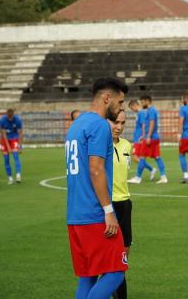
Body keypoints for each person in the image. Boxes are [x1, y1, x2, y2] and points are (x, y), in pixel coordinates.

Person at [65, 77, 128, 299]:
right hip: (94, 215)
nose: (121, 108)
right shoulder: (100, 125)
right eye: (120, 103)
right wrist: (108, 210)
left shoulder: (77, 124)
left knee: (88, 276)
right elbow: (96, 169)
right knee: (115, 273)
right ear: (107, 98)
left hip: (75, 215)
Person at [109, 110, 132, 299]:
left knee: (123, 259)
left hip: (125, 204)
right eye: (115, 122)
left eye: (122, 123)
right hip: (107, 206)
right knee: (107, 259)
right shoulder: (99, 146)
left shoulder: (127, 145)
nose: (119, 127)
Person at [128, 95, 167, 184]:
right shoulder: (149, 111)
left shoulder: (150, 111)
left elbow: (151, 123)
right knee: (157, 157)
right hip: (152, 137)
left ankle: (138, 177)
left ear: (146, 101)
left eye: (142, 102)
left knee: (141, 157)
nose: (141, 104)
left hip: (150, 138)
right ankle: (163, 177)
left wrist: (147, 136)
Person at [127, 100, 156, 180]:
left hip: (139, 139)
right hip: (137, 138)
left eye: (131, 108)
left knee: (136, 157)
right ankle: (151, 169)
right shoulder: (140, 113)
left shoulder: (141, 113)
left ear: (134, 105)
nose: (132, 110)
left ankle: (139, 176)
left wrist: (143, 136)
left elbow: (144, 125)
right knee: (137, 158)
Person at [0, 108, 23, 184]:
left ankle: (18, 175)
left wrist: (20, 146)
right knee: (6, 159)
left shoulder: (17, 120)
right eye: (8, 117)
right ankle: (10, 178)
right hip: (5, 139)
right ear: (6, 115)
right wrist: (8, 147)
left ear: (13, 115)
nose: (10, 119)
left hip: (14, 138)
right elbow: (3, 134)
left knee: (16, 155)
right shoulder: (2, 120)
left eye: (11, 117)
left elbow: (20, 133)